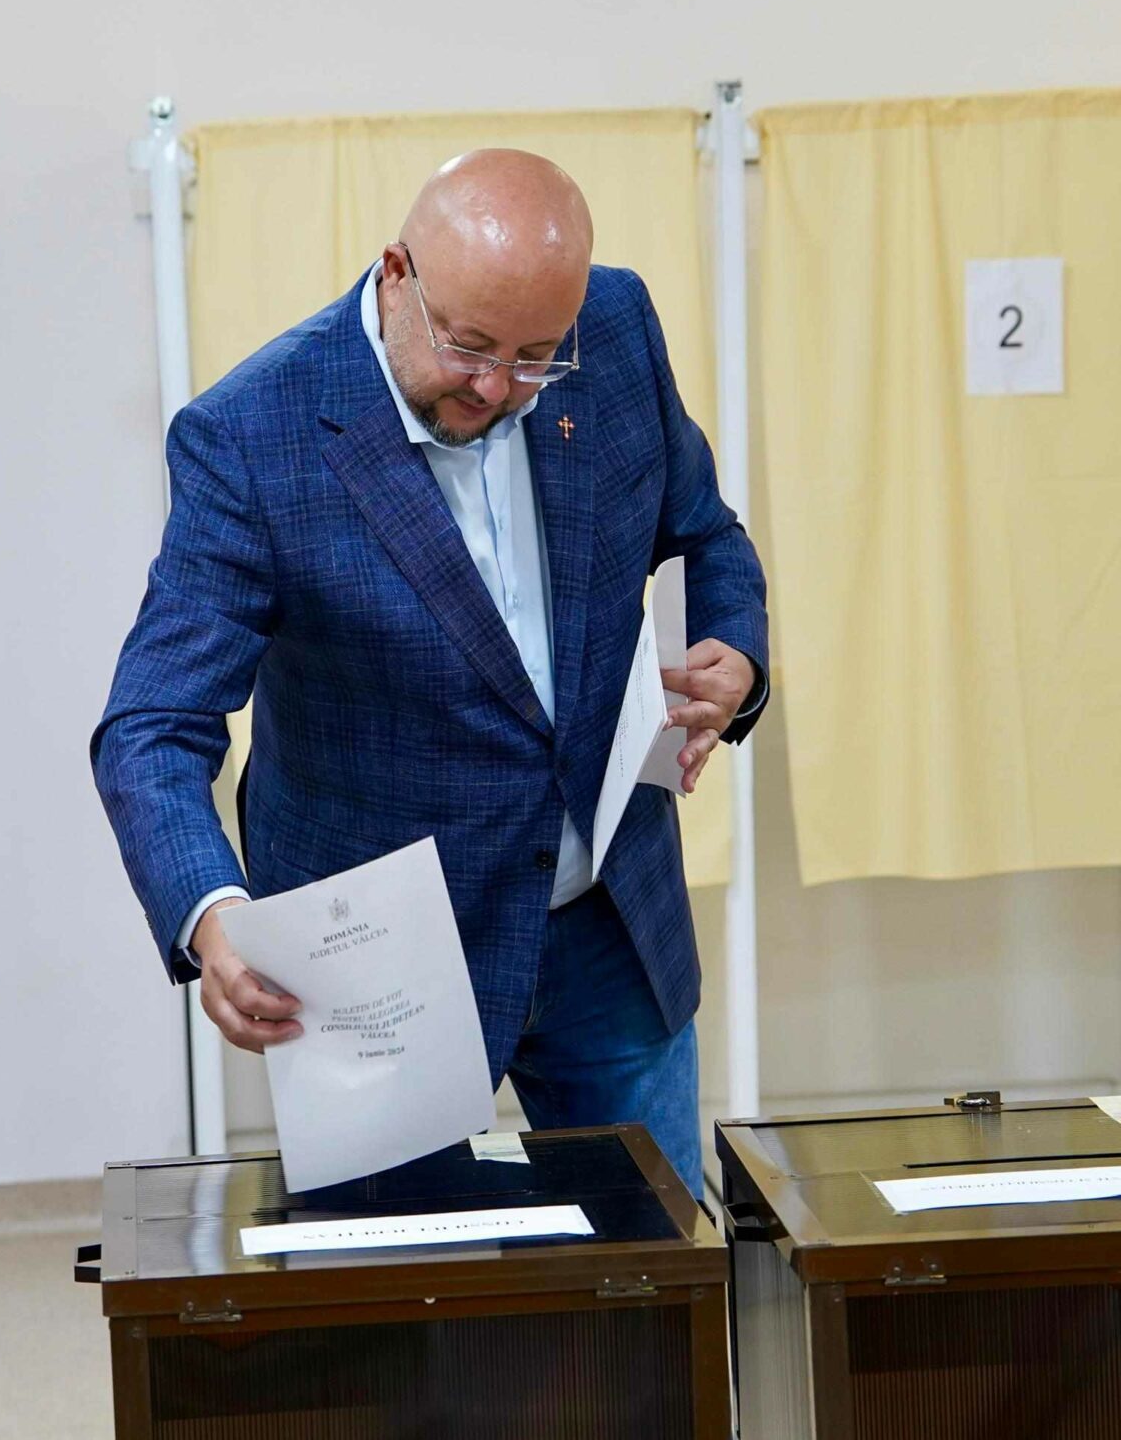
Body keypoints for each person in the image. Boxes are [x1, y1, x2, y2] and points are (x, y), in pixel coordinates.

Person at [93, 149, 767, 1194]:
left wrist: (737, 657)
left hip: (608, 922)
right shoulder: (255, 434)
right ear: (396, 274)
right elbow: (152, 725)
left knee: (654, 1267)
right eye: (470, 346)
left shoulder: (616, 328)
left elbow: (704, 535)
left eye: (535, 358)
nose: (497, 388)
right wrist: (211, 912)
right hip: (382, 959)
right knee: (402, 1282)